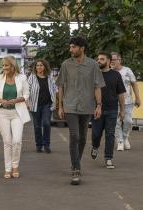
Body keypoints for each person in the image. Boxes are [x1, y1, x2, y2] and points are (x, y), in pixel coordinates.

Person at [56, 37, 105, 185]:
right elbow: (61, 86)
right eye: (70, 47)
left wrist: (99, 105)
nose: (71, 50)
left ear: (82, 48)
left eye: (74, 47)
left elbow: (97, 86)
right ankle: (76, 168)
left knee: (83, 138)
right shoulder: (66, 64)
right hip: (70, 105)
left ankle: (76, 161)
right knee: (74, 135)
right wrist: (60, 106)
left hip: (87, 106)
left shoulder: (93, 65)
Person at [0, 55, 30, 179]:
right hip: (2, 113)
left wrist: (18, 99)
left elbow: (27, 94)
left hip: (17, 113)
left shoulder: (22, 78)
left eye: (6, 65)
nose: (4, 67)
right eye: (3, 65)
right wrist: (2, 101)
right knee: (7, 142)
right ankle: (7, 169)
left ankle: (15, 166)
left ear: (13, 66)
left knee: (17, 141)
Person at [91, 52, 126, 169]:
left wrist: (122, 110)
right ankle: (95, 147)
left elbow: (120, 93)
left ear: (109, 61)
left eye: (101, 59)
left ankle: (108, 158)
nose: (98, 61)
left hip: (112, 109)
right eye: (97, 59)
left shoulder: (116, 75)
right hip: (96, 110)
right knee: (96, 134)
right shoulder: (94, 75)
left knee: (110, 134)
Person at [110, 52, 141, 151]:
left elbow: (134, 84)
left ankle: (125, 137)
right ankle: (120, 141)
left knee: (128, 121)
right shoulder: (109, 71)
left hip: (128, 102)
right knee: (116, 122)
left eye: (114, 60)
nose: (112, 62)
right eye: (111, 60)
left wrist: (137, 97)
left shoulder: (127, 70)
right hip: (114, 102)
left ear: (119, 60)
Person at [27, 59, 56, 153]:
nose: (39, 67)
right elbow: (27, 90)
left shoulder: (49, 77)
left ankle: (46, 144)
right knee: (37, 126)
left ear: (45, 67)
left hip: (47, 105)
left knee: (47, 123)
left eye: (41, 65)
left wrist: (56, 101)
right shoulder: (32, 77)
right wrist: (26, 102)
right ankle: (39, 145)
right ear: (35, 67)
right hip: (34, 105)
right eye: (37, 65)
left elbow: (55, 89)